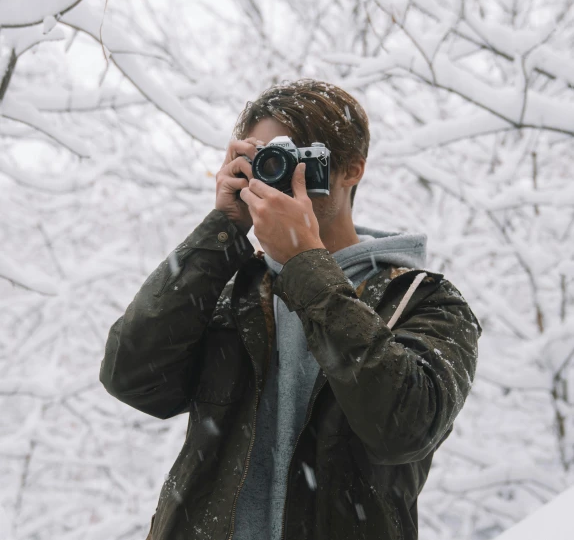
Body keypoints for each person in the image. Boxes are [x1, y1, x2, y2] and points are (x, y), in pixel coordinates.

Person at [100, 79, 481, 540]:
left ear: (351, 169)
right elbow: (131, 377)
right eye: (264, 158)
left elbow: (403, 428)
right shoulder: (231, 290)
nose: (280, 173)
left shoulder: (424, 301)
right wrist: (221, 231)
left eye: (300, 157)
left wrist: (307, 266)